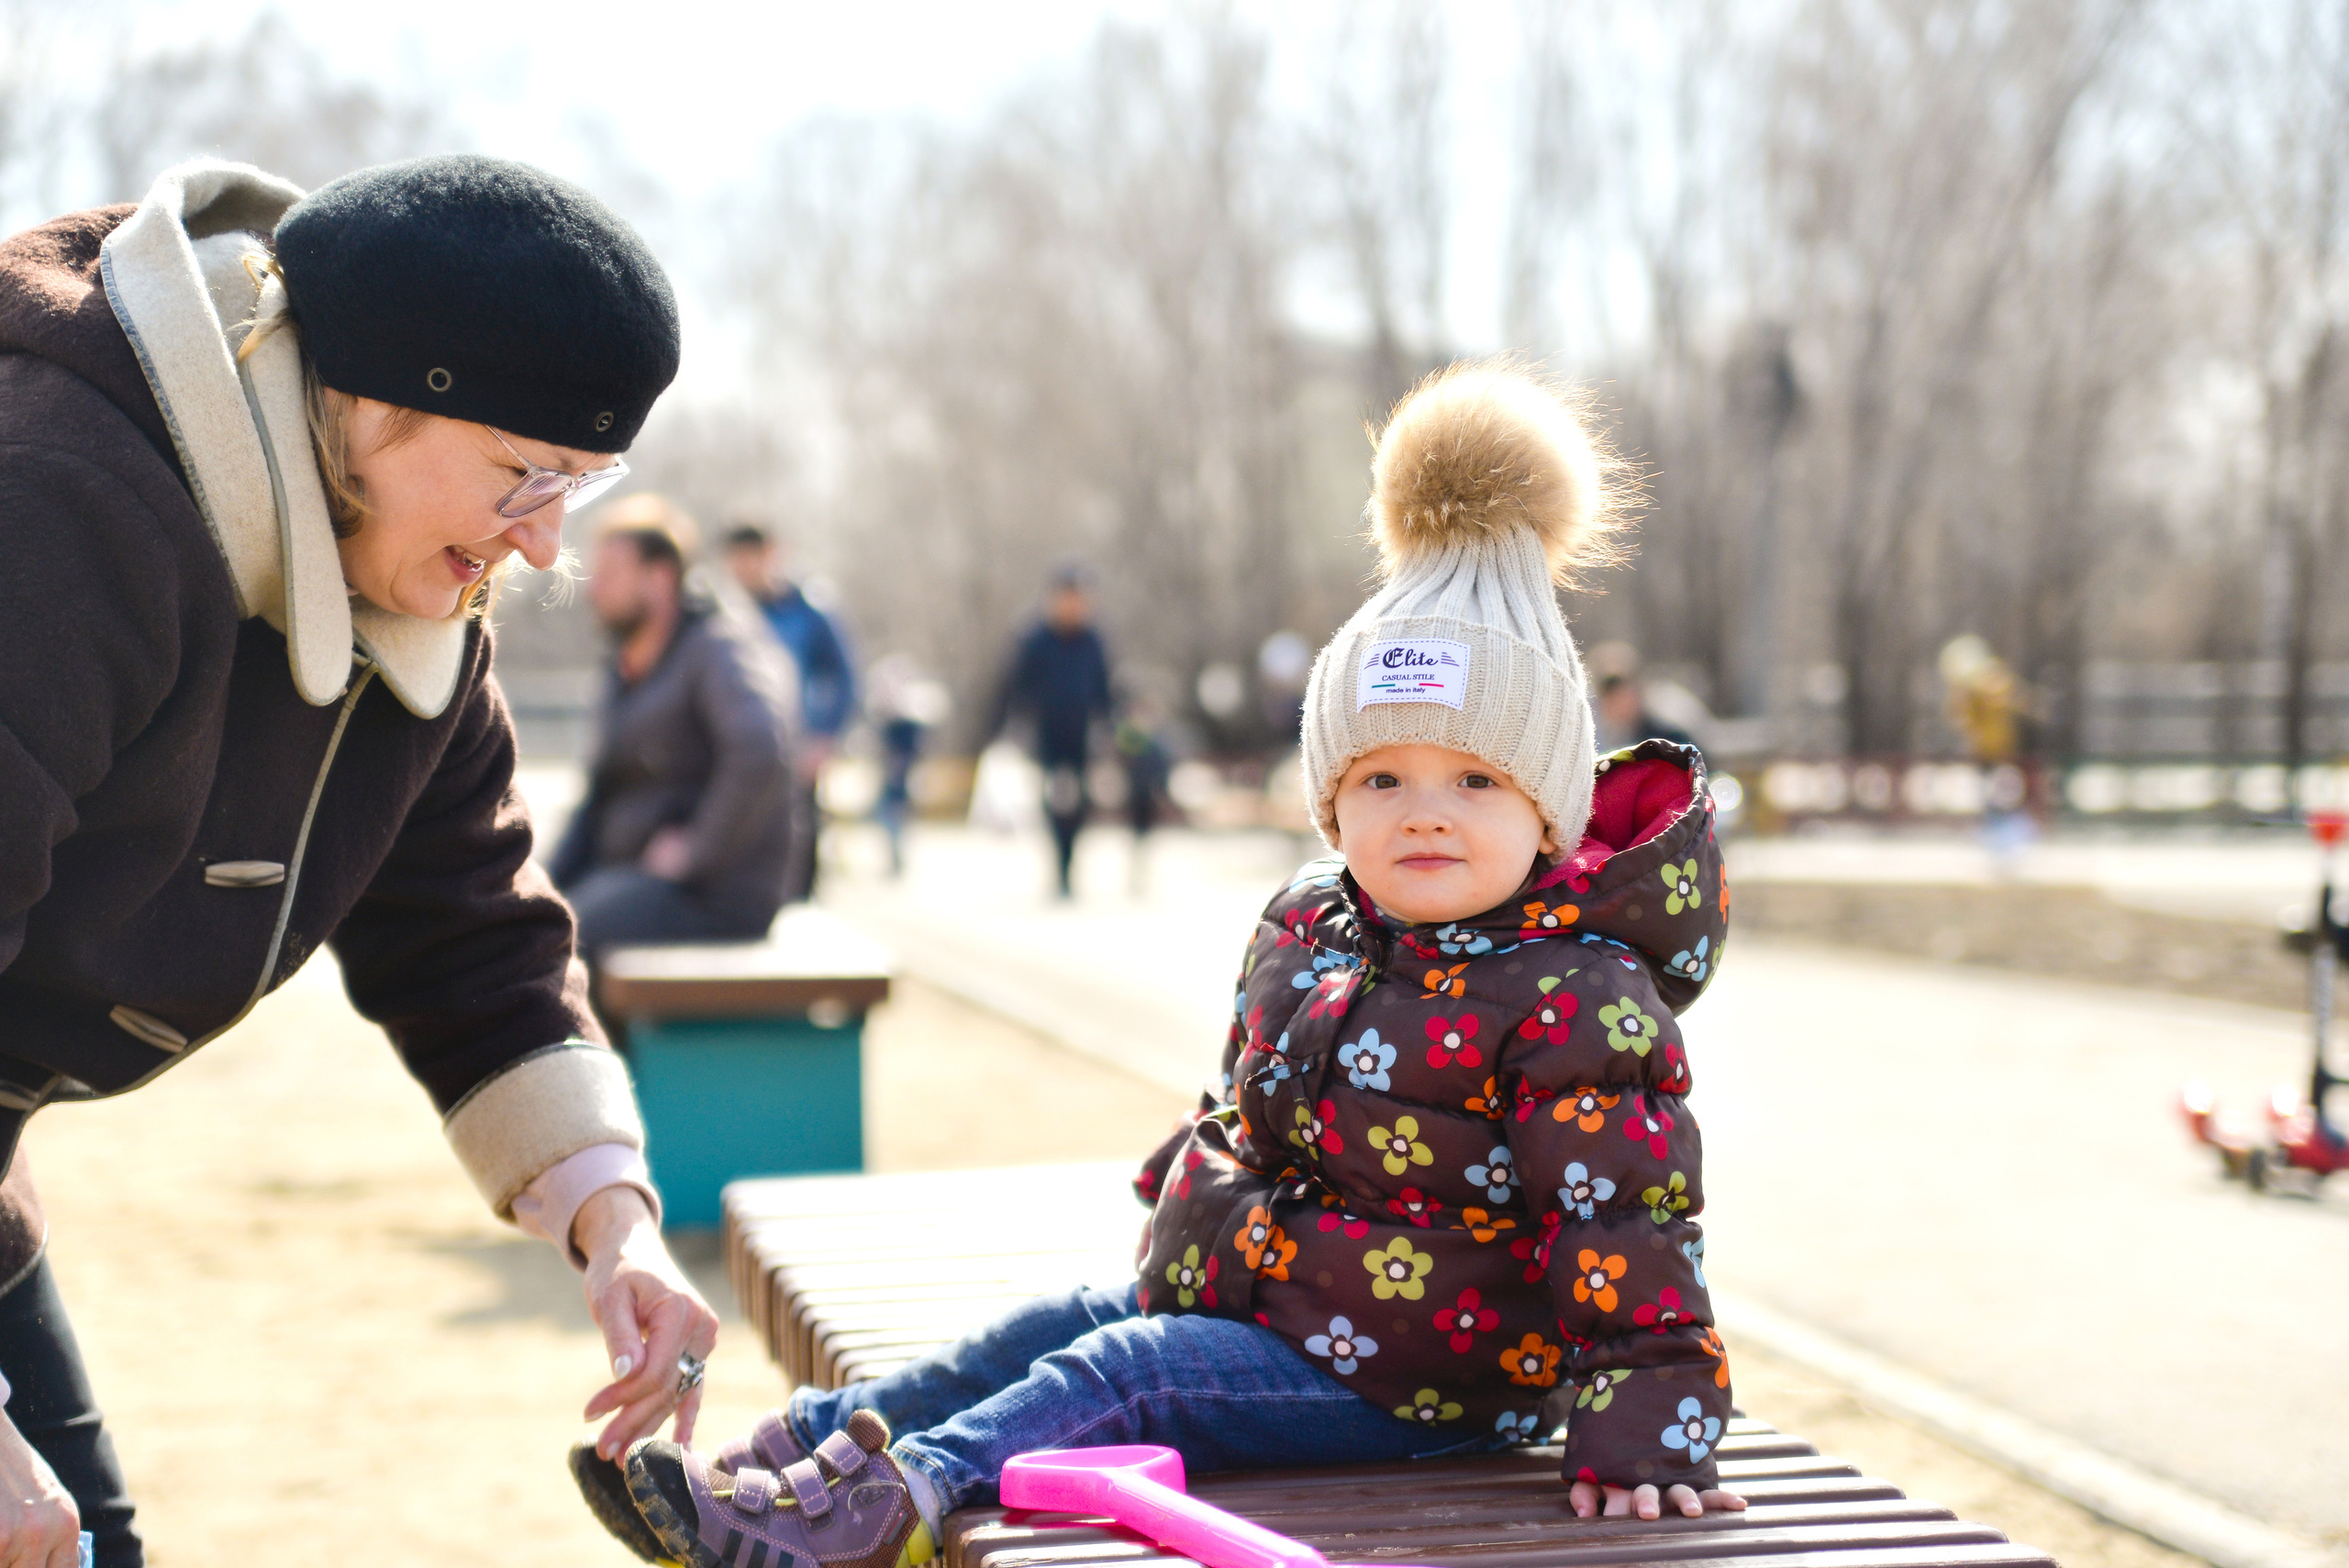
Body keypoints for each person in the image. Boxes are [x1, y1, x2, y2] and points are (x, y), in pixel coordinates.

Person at [596, 364, 1741, 1568]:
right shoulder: (1314, 925)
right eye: (1381, 779)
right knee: (1056, 1326)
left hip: (1432, 1380)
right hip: (1281, 1312)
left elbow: (1628, 1216)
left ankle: (879, 1513)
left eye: (1475, 782)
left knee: (1122, 1373)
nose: (1424, 816)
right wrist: (1195, 1214)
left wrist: (1651, 1429)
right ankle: (779, 1461)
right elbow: (1250, 1113)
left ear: (1549, 813)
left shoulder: (1576, 992)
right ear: (1331, 800)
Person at [0, 155, 721, 1565]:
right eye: (523, 476)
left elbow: (471, 932)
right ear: (380, 401)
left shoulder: (416, 617)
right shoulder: (58, 505)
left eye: (581, 485)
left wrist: (615, 1225)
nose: (546, 541)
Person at [552, 499, 800, 960]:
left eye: (609, 573)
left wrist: (695, 851)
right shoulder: (623, 668)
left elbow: (761, 749)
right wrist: (542, 880)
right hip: (627, 879)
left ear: (660, 576)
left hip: (712, 897)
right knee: (520, 922)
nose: (593, 589)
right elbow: (599, 794)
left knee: (554, 943)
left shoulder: (719, 646)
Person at [723, 524, 855, 903]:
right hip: (743, 744)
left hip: (798, 744)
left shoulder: (811, 612)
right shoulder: (725, 614)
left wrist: (825, 738)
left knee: (800, 832)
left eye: (753, 559)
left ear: (772, 556)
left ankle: (801, 905)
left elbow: (844, 678)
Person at [988, 566, 1114, 898]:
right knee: (1053, 799)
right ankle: (1059, 865)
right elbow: (1012, 687)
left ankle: (1070, 862)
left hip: (1081, 733)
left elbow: (1104, 689)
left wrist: (1110, 729)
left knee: (1080, 802)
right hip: (1047, 732)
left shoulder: (1092, 640)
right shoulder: (1035, 639)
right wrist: (1001, 729)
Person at [1588, 644, 1701, 760]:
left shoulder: (1669, 741)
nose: (1620, 703)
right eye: (1611, 695)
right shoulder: (1591, 741)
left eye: (1624, 693)